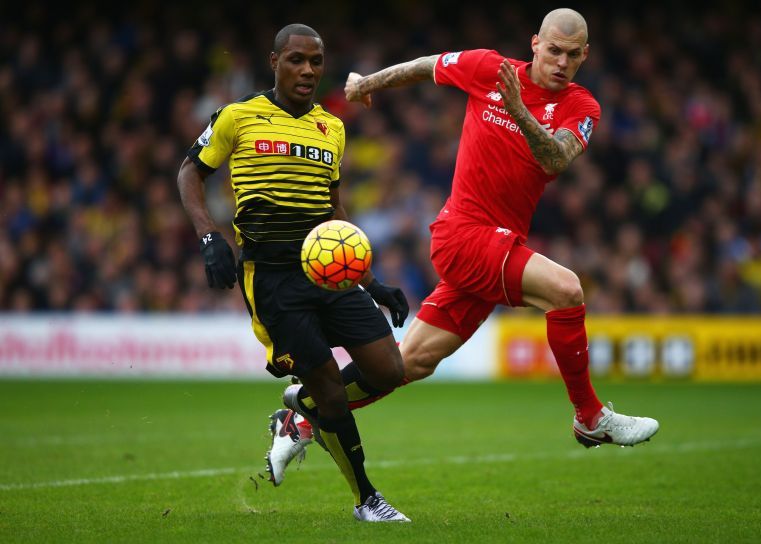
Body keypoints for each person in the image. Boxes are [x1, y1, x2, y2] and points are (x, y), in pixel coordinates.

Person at [274, 8, 660, 479]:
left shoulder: (583, 107)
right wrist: (367, 84)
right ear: (535, 43)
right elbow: (426, 65)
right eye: (553, 50)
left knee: (407, 364)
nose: (561, 62)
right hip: (462, 233)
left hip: (495, 244)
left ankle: (301, 417)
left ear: (585, 55)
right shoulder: (487, 68)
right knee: (566, 290)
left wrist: (519, 110)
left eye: (572, 54)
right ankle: (590, 417)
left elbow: (555, 158)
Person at [176, 23, 412, 523]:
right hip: (274, 279)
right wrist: (208, 235)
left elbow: (334, 211)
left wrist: (371, 282)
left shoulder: (332, 127)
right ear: (275, 61)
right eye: (297, 60)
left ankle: (297, 410)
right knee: (331, 388)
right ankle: (367, 499)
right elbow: (189, 172)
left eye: (316, 62)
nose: (307, 70)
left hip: (328, 274)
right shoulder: (238, 117)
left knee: (390, 370)